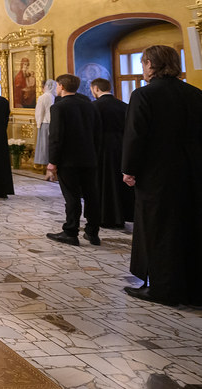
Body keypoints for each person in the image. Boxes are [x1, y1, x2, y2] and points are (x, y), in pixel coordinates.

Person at [121, 45, 202, 307]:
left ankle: (163, 288)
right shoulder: (195, 93)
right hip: (192, 172)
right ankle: (192, 287)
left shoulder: (144, 94)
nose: (143, 68)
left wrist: (129, 169)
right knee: (189, 226)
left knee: (158, 229)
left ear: (150, 64)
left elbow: (135, 136)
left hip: (157, 174)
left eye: (144, 63)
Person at [46, 74, 102, 246]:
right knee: (92, 195)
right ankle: (93, 233)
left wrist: (52, 161)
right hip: (89, 158)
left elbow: (56, 137)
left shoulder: (59, 108)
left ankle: (70, 231)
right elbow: (97, 132)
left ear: (61, 86)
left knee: (72, 197)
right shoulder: (89, 106)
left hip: (68, 160)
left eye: (57, 85)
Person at [90, 78, 133, 229]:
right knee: (119, 181)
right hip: (121, 147)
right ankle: (122, 214)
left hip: (102, 148)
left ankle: (105, 216)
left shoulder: (94, 106)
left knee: (104, 183)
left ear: (96, 89)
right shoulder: (123, 105)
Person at [34, 80, 57, 173]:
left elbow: (39, 112)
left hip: (44, 123)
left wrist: (38, 124)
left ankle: (45, 166)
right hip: (53, 123)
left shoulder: (43, 97)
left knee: (44, 145)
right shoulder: (54, 96)